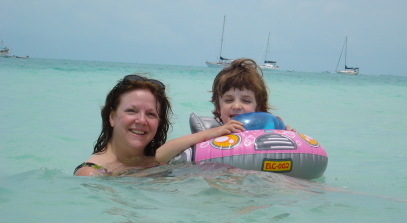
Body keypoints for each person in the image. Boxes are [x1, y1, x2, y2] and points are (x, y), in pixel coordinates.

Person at [156, 58, 293, 164]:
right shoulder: (213, 135)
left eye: (246, 101)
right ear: (218, 108)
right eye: (228, 100)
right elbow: (161, 156)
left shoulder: (267, 134)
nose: (237, 106)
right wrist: (211, 133)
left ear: (259, 108)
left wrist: (288, 137)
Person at [74, 74, 172, 176]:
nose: (142, 120)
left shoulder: (162, 164)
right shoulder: (91, 173)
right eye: (131, 111)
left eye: (150, 114)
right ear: (112, 117)